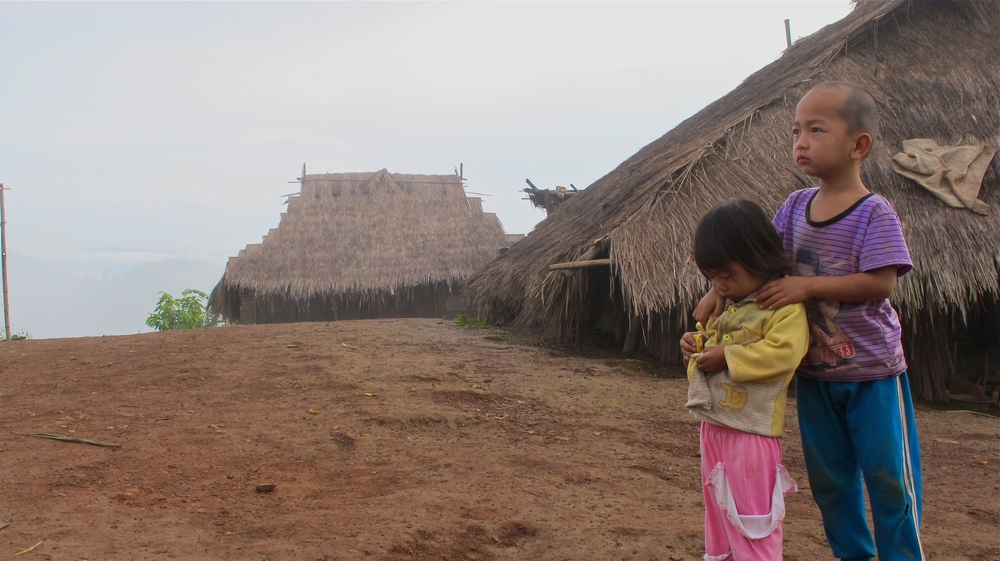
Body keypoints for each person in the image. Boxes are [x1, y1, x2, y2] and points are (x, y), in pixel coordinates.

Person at [684, 81, 925, 561]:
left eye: (816, 129)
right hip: (815, 375)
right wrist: (715, 290)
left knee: (890, 479)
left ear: (859, 145)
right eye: (796, 130)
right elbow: (754, 259)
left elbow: (881, 283)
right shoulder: (794, 208)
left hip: (873, 374)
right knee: (831, 481)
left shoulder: (874, 212)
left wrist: (808, 286)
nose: (800, 141)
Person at [681, 198, 810, 561]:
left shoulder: (782, 307)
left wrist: (728, 356)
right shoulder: (730, 307)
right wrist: (696, 348)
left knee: (752, 522)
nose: (719, 287)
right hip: (715, 429)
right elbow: (710, 352)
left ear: (757, 259)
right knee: (720, 516)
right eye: (713, 279)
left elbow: (785, 353)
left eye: (727, 276)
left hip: (751, 436)